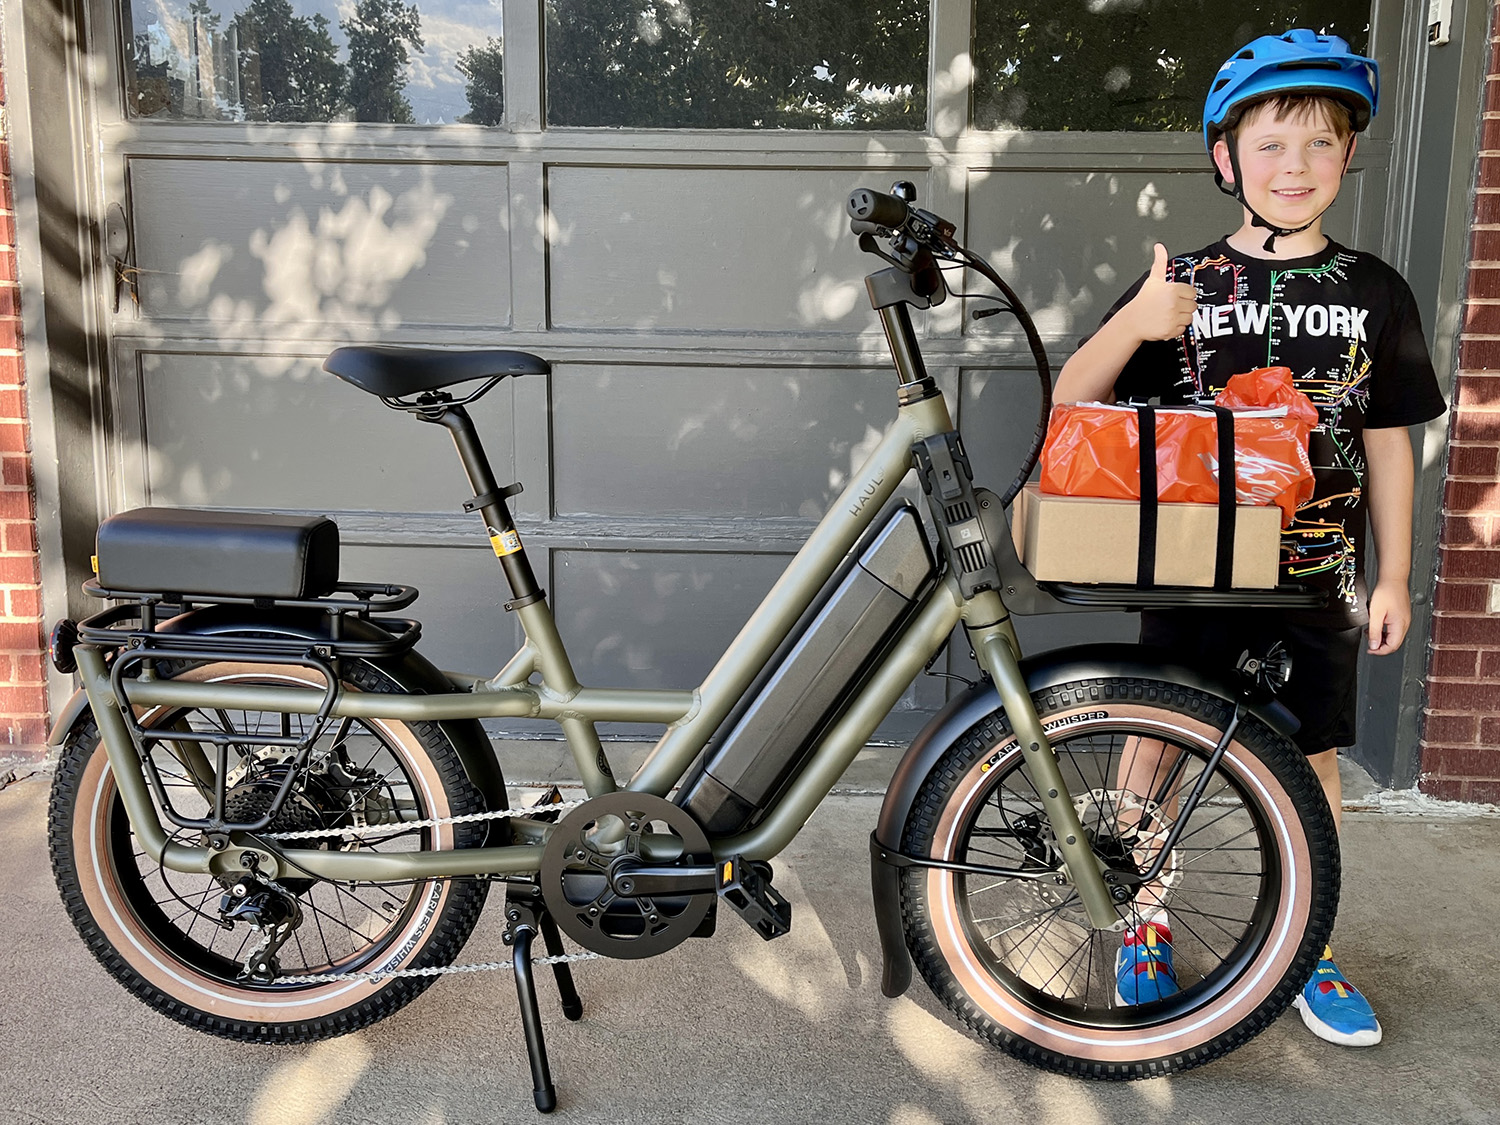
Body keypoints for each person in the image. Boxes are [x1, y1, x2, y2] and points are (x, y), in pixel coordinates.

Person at [1053, 29, 1446, 1046]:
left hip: (1317, 577)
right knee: (1155, 746)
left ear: (1348, 157)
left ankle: (1307, 938)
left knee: (1311, 759)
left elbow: (1391, 443)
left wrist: (1393, 575)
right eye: (1270, 145)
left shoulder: (1375, 290)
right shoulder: (1181, 282)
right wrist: (1139, 320)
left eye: (1319, 144)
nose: (1295, 167)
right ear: (1226, 159)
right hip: (1190, 575)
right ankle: (1143, 918)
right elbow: (1074, 400)